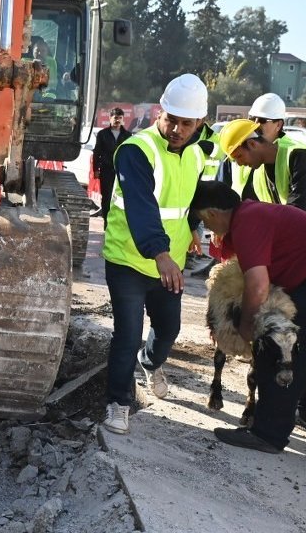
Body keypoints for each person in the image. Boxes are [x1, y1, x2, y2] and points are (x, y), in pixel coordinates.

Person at [192, 182, 306, 454]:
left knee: (278, 348)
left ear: (211, 214)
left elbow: (258, 286)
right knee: (303, 352)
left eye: (204, 221)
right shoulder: (252, 214)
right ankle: (294, 416)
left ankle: (268, 433)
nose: (209, 230)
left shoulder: (248, 222)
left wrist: (245, 327)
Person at [218, 114, 306, 427]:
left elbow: (294, 215)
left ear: (253, 143)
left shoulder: (298, 156)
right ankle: (304, 409)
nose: (238, 164)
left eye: (239, 156)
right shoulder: (262, 171)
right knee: (301, 334)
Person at [100, 74, 208, 435]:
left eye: (186, 123)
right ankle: (118, 402)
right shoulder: (136, 150)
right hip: (130, 259)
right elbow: (141, 207)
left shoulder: (195, 154)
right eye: (171, 119)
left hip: (169, 262)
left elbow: (189, 197)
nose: (176, 129)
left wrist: (193, 226)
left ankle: (151, 363)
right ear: (161, 112)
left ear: (199, 124)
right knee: (127, 334)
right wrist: (160, 254)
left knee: (168, 329)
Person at [91, 106, 130, 222]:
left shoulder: (127, 135)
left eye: (120, 118)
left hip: (122, 171)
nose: (117, 120)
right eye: (115, 117)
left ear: (123, 119)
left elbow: (129, 154)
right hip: (106, 170)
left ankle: (118, 220)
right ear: (110, 118)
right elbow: (97, 152)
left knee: (121, 197)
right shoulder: (102, 134)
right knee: (107, 197)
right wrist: (96, 170)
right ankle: (106, 222)